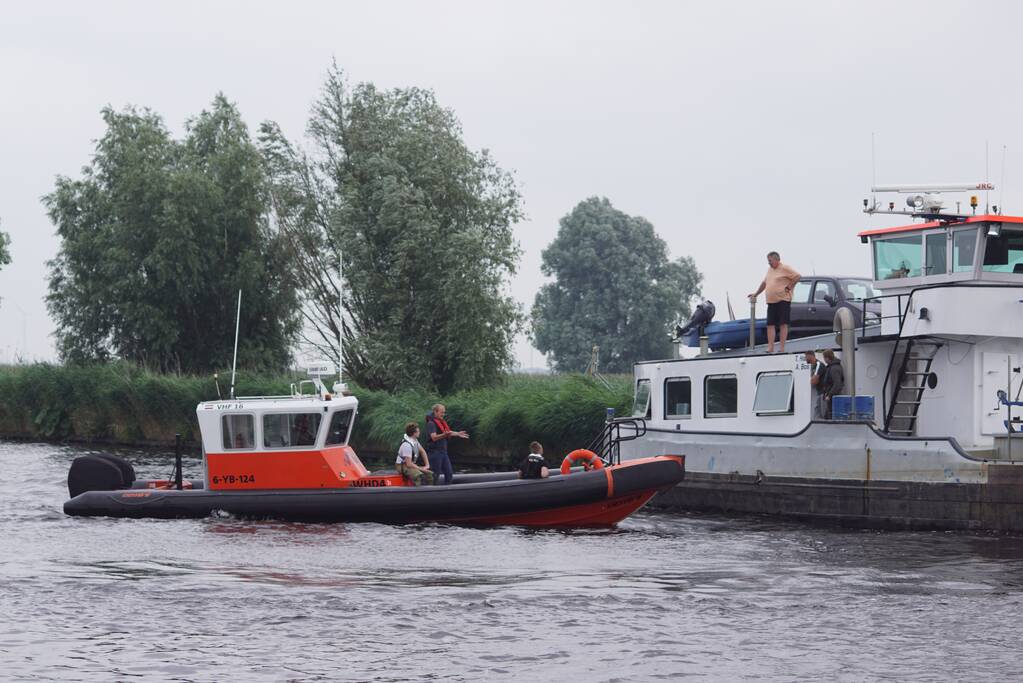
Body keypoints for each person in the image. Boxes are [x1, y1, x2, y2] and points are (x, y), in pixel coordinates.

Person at [748, 251, 801, 353]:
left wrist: (789, 286)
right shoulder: (770, 270)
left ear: (776, 259)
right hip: (771, 301)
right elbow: (764, 283)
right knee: (770, 324)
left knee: (783, 324)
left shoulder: (785, 268)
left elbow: (797, 276)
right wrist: (756, 293)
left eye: (770, 261)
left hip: (783, 300)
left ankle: (781, 348)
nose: (769, 263)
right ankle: (770, 347)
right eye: (768, 261)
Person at [424, 403, 468, 485]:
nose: (443, 414)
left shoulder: (441, 422)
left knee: (449, 473)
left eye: (444, 412)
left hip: (443, 452)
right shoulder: (431, 423)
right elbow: (434, 437)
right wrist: (444, 435)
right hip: (435, 453)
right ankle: (430, 492)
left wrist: (458, 433)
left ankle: (447, 492)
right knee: (435, 474)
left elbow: (448, 432)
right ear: (435, 412)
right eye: (441, 412)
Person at [822, 349, 844, 419]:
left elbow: (837, 384)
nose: (824, 360)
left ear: (827, 358)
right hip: (832, 396)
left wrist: (829, 395)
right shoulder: (834, 367)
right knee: (828, 415)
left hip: (833, 397)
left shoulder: (834, 368)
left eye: (824, 358)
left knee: (830, 415)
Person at [804, 350, 827, 418]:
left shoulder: (818, 364)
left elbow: (814, 381)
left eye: (806, 357)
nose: (805, 359)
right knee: (817, 412)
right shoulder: (813, 366)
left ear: (810, 356)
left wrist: (811, 379)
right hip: (819, 393)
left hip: (823, 393)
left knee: (822, 413)